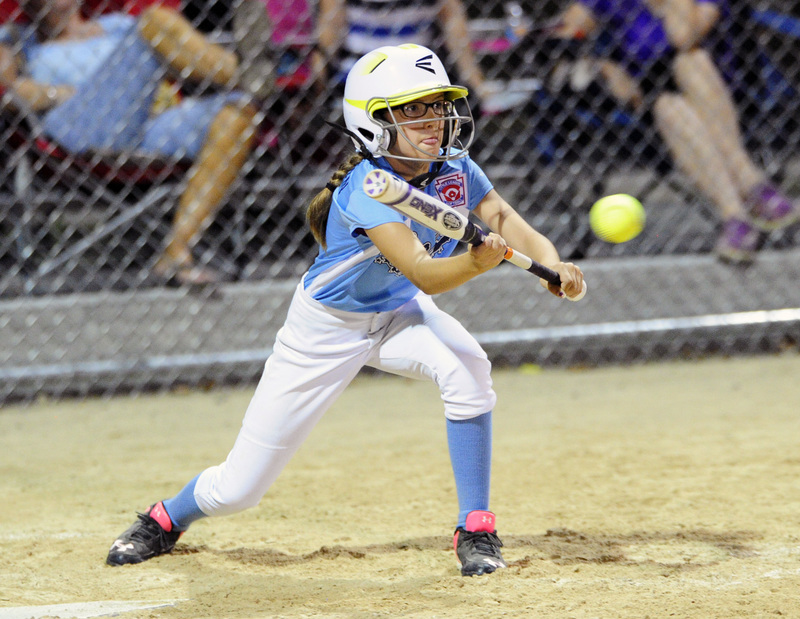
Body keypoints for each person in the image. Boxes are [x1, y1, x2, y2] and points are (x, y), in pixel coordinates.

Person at [105, 43, 585, 577]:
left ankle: (476, 527)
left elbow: (502, 216)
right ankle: (165, 518)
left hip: (398, 313)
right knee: (239, 490)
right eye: (412, 109)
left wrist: (552, 263)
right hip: (326, 329)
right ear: (373, 123)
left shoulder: (453, 165)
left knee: (468, 370)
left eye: (437, 105)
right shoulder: (368, 189)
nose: (433, 119)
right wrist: (477, 262)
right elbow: (424, 272)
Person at [0, 0, 275, 285]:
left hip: (140, 124)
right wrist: (59, 93)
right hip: (78, 127)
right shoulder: (19, 38)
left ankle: (176, 252)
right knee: (154, 20)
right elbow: (8, 92)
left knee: (238, 112)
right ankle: (251, 75)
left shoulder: (118, 26)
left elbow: (166, 61)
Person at [554, 0, 798, 263]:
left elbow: (683, 37)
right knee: (668, 107)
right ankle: (749, 193)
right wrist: (603, 65)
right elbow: (564, 33)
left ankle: (738, 210)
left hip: (724, 93)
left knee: (690, 60)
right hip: (651, 99)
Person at [312, 0, 529, 115]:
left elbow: (454, 25)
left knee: (462, 104)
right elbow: (330, 29)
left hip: (418, 73)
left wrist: (477, 84)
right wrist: (318, 86)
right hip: (363, 72)